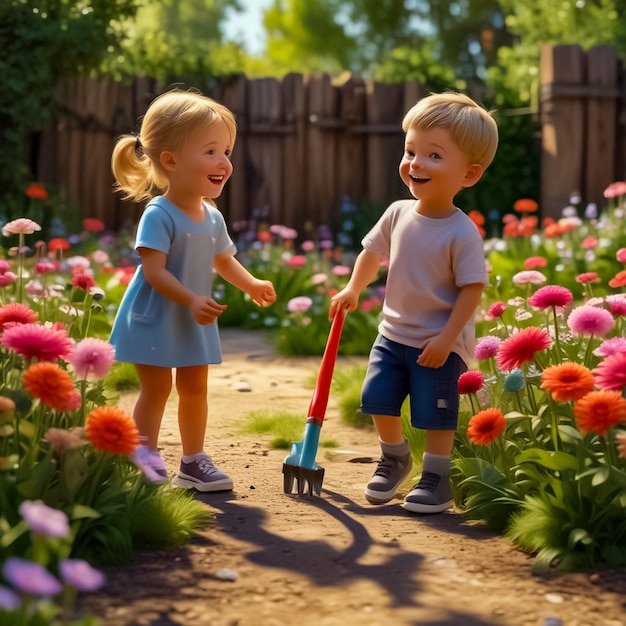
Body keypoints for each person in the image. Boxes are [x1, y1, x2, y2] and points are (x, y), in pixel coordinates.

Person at [329, 92, 498, 513]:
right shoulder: (398, 213)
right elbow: (372, 252)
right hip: (392, 334)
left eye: (434, 155)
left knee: (435, 413)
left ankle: (437, 477)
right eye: (410, 151)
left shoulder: (462, 233)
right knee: (377, 400)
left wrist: (447, 338)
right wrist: (353, 288)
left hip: (437, 344)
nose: (416, 163)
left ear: (470, 174)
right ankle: (395, 456)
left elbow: (471, 290)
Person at [109, 89, 277, 492]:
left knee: (195, 388)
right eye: (211, 151)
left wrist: (250, 283)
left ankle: (193, 461)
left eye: (226, 150)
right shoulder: (159, 213)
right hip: (158, 315)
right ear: (170, 160)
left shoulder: (211, 216)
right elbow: (154, 272)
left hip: (192, 317)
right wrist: (190, 298)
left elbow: (223, 260)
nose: (224, 162)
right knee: (156, 389)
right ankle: (143, 457)